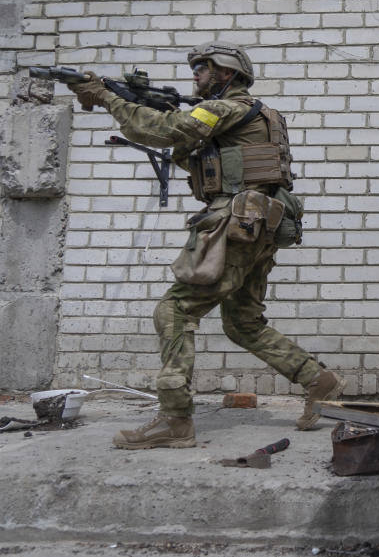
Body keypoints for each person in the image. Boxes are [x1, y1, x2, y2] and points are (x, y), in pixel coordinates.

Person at [68, 41, 344, 449]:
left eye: (203, 68)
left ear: (227, 74)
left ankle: (175, 420)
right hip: (258, 227)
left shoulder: (226, 108)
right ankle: (319, 381)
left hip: (235, 225)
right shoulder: (253, 115)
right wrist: (143, 104)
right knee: (243, 323)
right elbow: (189, 152)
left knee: (175, 310)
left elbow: (162, 132)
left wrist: (108, 97)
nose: (195, 75)